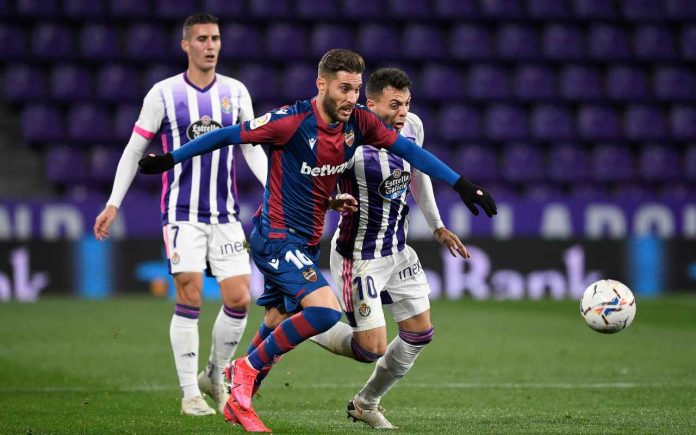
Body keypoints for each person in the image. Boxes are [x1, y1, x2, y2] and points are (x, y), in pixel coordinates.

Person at [138, 48, 496, 432]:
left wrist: (462, 184)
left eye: (356, 90)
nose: (351, 98)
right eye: (344, 89)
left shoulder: (359, 123)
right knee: (325, 313)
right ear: (321, 84)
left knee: (277, 318)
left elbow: (409, 151)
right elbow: (228, 135)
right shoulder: (290, 121)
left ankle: (234, 390)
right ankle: (242, 370)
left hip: (307, 241)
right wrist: (171, 159)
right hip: (276, 237)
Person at [93, 13, 267, 417]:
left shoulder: (236, 92)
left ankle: (214, 374)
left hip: (225, 214)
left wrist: (274, 188)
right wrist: (114, 202)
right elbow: (135, 150)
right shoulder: (164, 94)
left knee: (239, 299)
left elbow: (251, 147)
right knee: (189, 292)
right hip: (181, 214)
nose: (210, 45)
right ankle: (190, 394)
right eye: (202, 39)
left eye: (216, 38)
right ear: (185, 44)